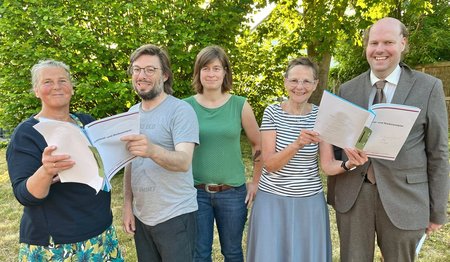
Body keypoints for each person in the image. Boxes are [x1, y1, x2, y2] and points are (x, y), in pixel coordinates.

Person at [327, 17, 449, 262]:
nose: (379, 49)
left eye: (388, 42)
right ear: (366, 47)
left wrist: (437, 211)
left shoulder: (429, 87)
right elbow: (337, 146)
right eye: (374, 43)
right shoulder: (348, 90)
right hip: (354, 196)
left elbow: (438, 152)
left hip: (405, 197)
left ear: (403, 43)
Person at [246, 57, 367, 262]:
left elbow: (327, 165)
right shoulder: (272, 112)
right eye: (294, 80)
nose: (299, 87)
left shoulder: (322, 115)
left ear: (315, 85)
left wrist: (349, 164)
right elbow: (270, 164)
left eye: (306, 81)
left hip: (309, 202)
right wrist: (297, 144)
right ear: (285, 82)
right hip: (272, 201)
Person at [6, 59, 123, 261]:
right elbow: (25, 195)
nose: (57, 87)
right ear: (36, 90)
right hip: (57, 243)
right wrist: (46, 171)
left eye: (62, 80)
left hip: (101, 232)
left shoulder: (87, 122)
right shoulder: (26, 134)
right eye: (47, 82)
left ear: (71, 88)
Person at [121, 44, 199, 262]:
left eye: (149, 70)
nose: (141, 75)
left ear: (164, 75)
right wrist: (128, 206)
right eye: (136, 69)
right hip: (143, 217)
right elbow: (130, 163)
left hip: (175, 215)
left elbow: (183, 162)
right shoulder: (130, 114)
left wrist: (152, 150)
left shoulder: (181, 110)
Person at [184, 45, 262, 262]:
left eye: (216, 68)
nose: (211, 74)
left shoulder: (240, 105)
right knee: (199, 254)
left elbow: (258, 145)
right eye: (206, 68)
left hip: (232, 193)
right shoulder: (185, 107)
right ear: (198, 72)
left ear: (225, 72)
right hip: (196, 192)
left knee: (233, 252)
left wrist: (255, 182)